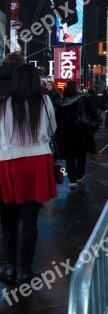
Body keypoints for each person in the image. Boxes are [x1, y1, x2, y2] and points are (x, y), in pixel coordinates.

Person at [0, 64, 58, 283]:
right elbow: (52, 129)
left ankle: (9, 266)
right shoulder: (44, 102)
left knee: (7, 219)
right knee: (30, 220)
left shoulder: (4, 104)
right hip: (36, 161)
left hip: (6, 162)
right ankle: (25, 269)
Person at [55, 81, 98, 190]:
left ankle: (72, 180)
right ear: (76, 87)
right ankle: (80, 175)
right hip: (81, 131)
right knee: (81, 154)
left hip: (65, 133)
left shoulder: (61, 102)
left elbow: (57, 119)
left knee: (70, 157)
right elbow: (92, 114)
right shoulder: (83, 99)